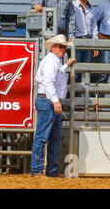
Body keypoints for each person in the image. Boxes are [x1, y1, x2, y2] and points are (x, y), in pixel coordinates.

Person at [31, 34, 76, 177]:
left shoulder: (53, 60)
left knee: (52, 137)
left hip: (49, 100)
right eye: (61, 47)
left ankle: (50, 170)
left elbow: (54, 77)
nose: (63, 50)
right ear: (54, 47)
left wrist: (66, 66)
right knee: (44, 137)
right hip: (48, 101)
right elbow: (49, 82)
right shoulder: (51, 61)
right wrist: (56, 101)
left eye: (64, 47)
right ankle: (38, 170)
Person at [71, 0, 99, 82]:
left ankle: (82, 95)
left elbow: (94, 28)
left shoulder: (92, 9)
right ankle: (74, 95)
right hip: (76, 40)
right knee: (76, 70)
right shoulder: (72, 6)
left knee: (86, 71)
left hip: (87, 41)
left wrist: (95, 44)